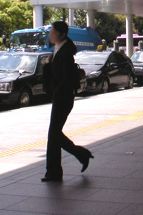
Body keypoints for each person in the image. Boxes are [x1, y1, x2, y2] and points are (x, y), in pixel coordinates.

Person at [42, 21, 93, 182]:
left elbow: (66, 77)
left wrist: (57, 91)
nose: (50, 35)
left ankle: (55, 171)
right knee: (55, 134)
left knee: (53, 135)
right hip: (59, 96)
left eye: (53, 32)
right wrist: (47, 65)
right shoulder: (57, 49)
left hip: (63, 98)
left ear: (62, 34)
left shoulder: (65, 53)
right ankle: (77, 157)